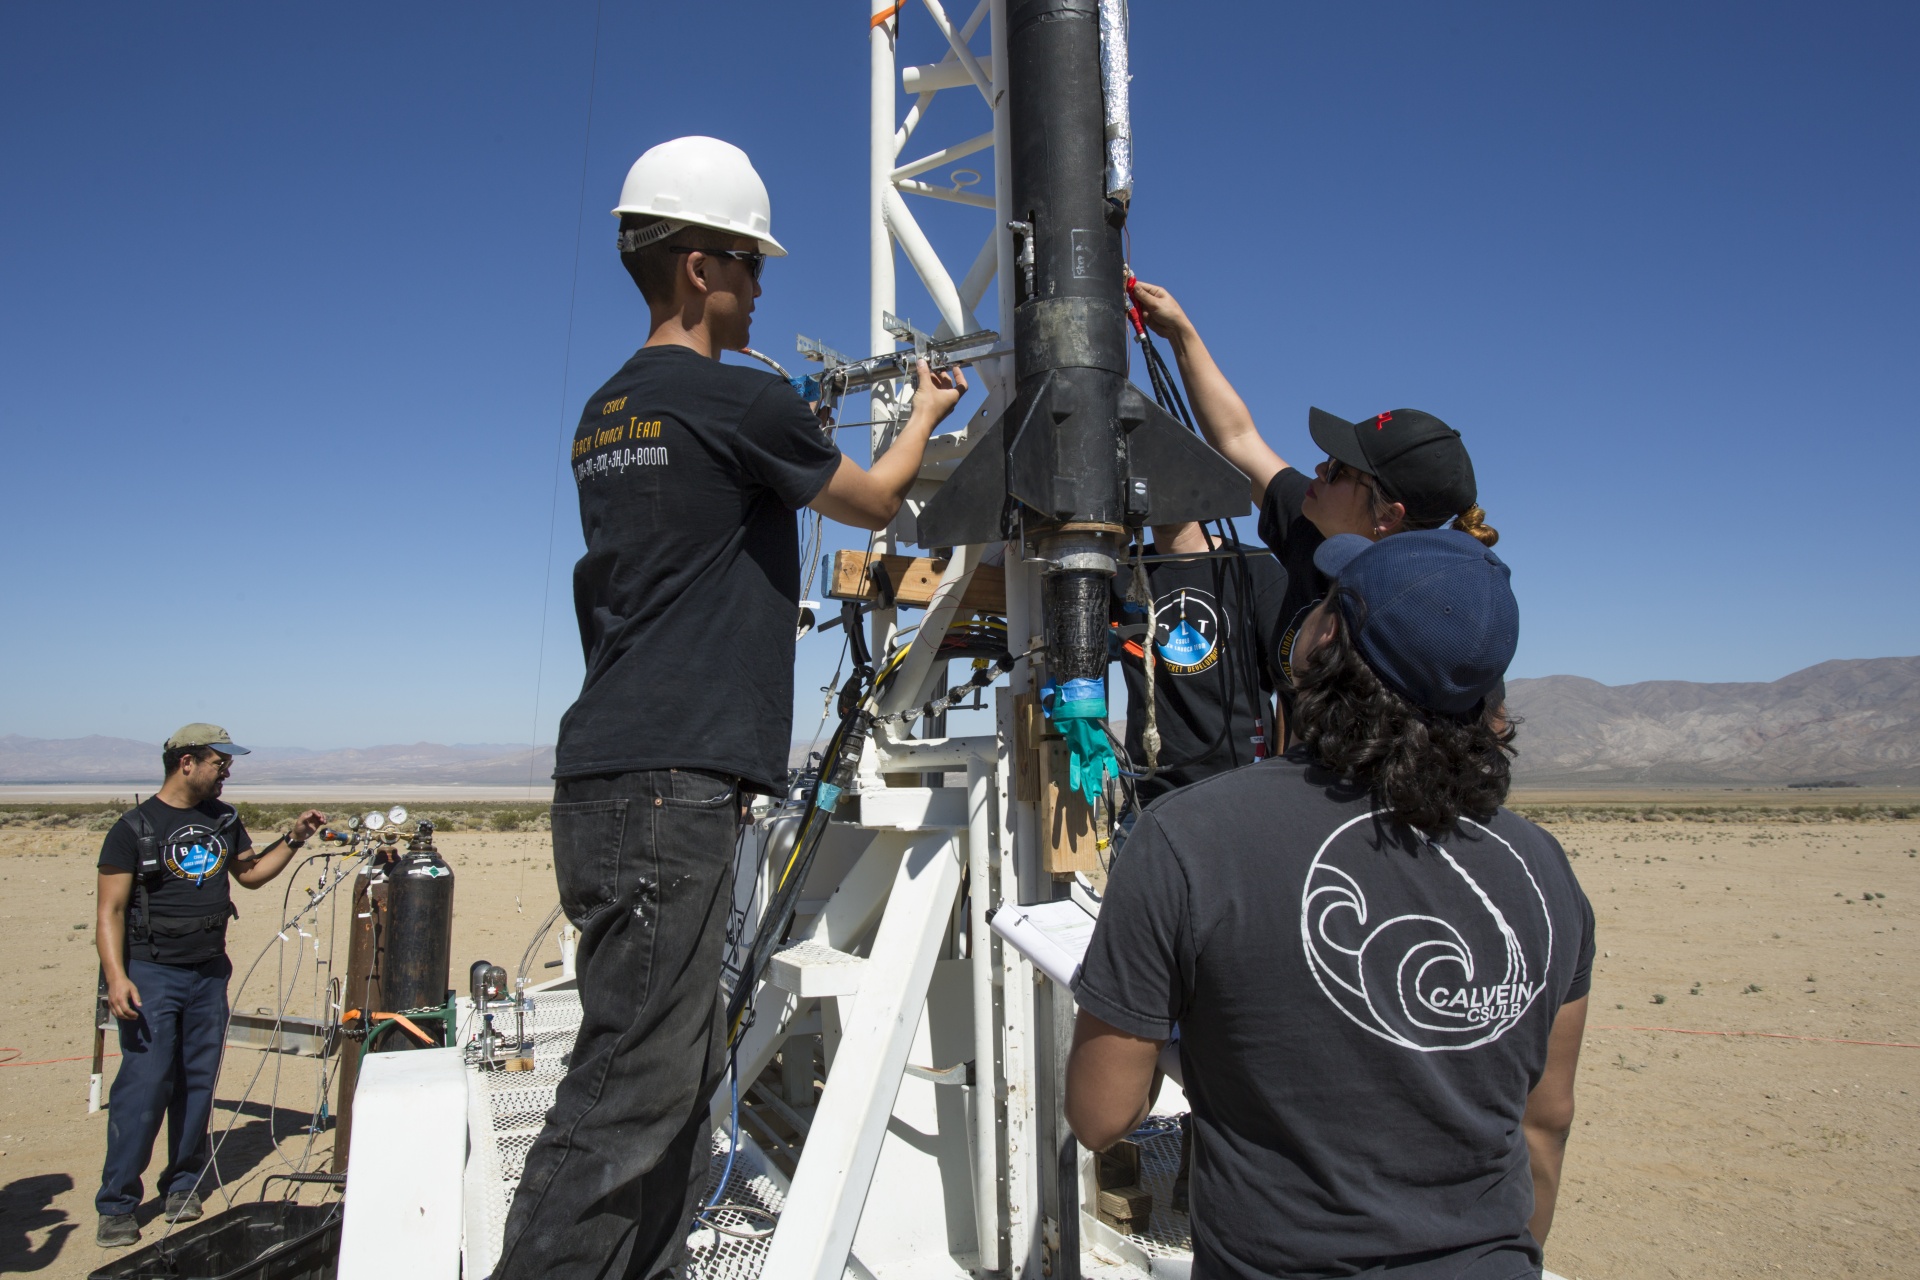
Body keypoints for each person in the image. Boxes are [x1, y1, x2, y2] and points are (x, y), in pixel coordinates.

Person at [494, 136, 966, 1280]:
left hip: (613, 767)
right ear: (702, 267)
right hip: (672, 778)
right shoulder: (736, 399)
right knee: (628, 1089)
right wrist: (925, 407)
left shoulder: (607, 410)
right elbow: (875, 501)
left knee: (673, 1075)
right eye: (751, 268)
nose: (761, 289)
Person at [1067, 531, 1592, 1279]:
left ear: (1327, 641)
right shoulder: (1541, 867)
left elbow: (1100, 1116)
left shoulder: (1188, 838)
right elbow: (1547, 1121)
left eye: (1327, 601)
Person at [1130, 281, 1499, 737]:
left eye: (1342, 470)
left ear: (1388, 515)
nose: (1320, 468)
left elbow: (1490, 730)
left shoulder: (1440, 609)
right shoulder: (1311, 526)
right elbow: (1238, 440)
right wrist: (1181, 333)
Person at [94, 725, 325, 1248]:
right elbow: (108, 910)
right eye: (220, 762)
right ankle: (117, 1203)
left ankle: (183, 1183)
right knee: (145, 1085)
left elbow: (250, 875)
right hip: (152, 973)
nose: (228, 771)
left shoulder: (224, 820)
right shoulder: (134, 827)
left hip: (208, 971)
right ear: (187, 764)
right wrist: (116, 977)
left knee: (198, 1084)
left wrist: (294, 837)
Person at [1108, 520, 1286, 817]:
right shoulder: (1119, 572)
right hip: (1152, 795)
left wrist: (1282, 781)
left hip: (1245, 790)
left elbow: (1294, 685)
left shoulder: (1253, 567)